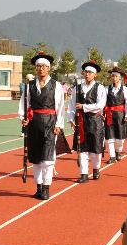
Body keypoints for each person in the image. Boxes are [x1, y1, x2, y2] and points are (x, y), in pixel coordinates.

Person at [18, 52, 65, 200]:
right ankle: (38, 187)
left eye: (44, 66)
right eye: (38, 66)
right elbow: (23, 105)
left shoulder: (56, 86)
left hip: (50, 123)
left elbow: (61, 106)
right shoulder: (30, 86)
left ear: (49, 68)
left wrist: (59, 124)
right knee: (36, 157)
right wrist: (23, 118)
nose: (41, 69)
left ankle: (46, 188)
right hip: (34, 123)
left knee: (48, 159)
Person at [69, 61, 107, 183]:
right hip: (81, 121)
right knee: (83, 148)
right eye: (86, 72)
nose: (87, 74)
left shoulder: (100, 88)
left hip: (95, 121)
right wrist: (71, 118)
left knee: (95, 148)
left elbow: (100, 105)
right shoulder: (77, 88)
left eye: (90, 72)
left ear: (95, 75)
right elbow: (71, 105)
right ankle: (84, 174)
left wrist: (84, 107)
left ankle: (96, 168)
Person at [104, 67, 127, 164]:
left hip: (120, 115)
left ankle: (118, 151)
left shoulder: (125, 90)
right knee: (109, 137)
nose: (114, 78)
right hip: (109, 115)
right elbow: (104, 103)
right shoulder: (107, 89)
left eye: (116, 76)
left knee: (120, 138)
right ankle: (111, 156)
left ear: (120, 78)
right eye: (112, 76)